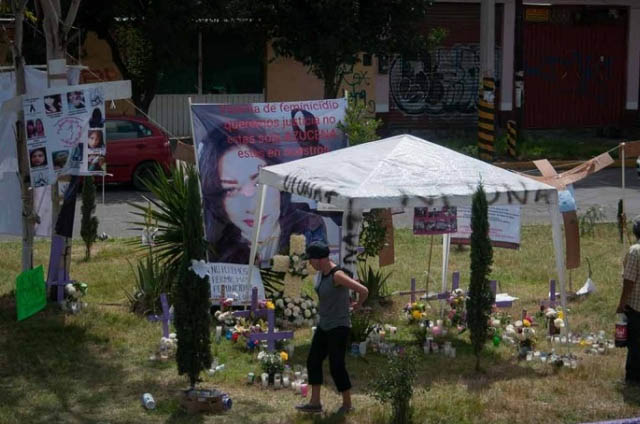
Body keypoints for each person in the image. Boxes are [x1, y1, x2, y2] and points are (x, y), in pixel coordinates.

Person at [198, 123, 327, 265]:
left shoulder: (309, 227)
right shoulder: (217, 248)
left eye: (260, 181)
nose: (253, 207)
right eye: (230, 189)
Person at [295, 241, 368, 415]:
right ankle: (315, 403)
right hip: (324, 325)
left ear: (320, 259)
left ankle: (347, 404)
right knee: (313, 361)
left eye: (311, 259)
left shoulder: (337, 275)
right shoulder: (322, 274)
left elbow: (363, 290)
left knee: (336, 366)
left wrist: (358, 304)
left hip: (339, 327)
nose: (310, 263)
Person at [618, 216, 640, 386]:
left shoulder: (635, 251)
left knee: (635, 343)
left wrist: (621, 303)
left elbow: (629, 281)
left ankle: (633, 377)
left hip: (636, 306)